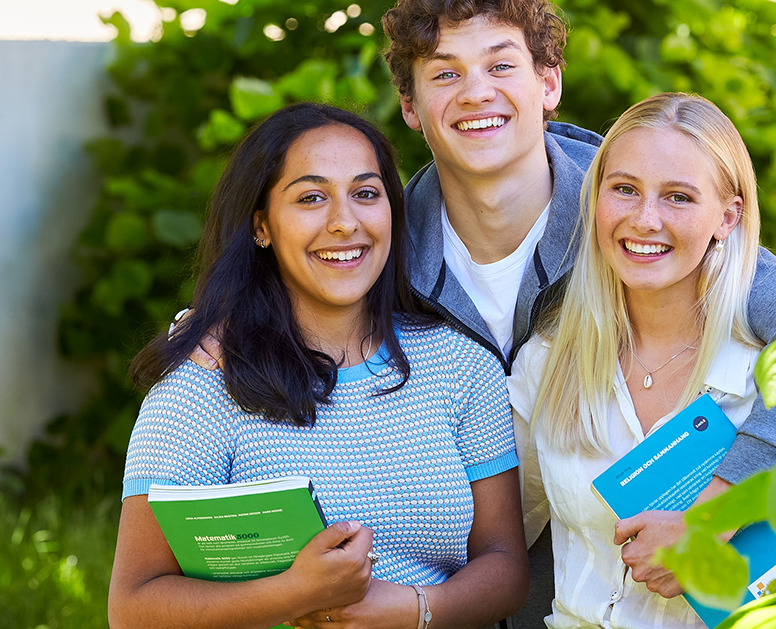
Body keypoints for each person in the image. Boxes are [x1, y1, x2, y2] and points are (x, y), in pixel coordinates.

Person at [190, 1, 776, 624]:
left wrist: (719, 503)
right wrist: (226, 325)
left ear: (550, 84)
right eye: (445, 72)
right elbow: (288, 280)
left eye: (501, 65)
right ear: (410, 105)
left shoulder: (632, 205)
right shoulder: (376, 246)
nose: (476, 91)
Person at [108, 102, 528, 629]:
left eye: (365, 193)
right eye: (311, 197)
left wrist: (416, 610)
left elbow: (505, 567)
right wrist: (292, 594)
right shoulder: (205, 379)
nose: (344, 222)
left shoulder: (460, 365)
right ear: (262, 226)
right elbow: (133, 607)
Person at [506, 92, 776, 628]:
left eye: (679, 197)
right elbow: (501, 542)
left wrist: (713, 516)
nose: (645, 220)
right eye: (624, 189)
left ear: (728, 216)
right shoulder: (544, 364)